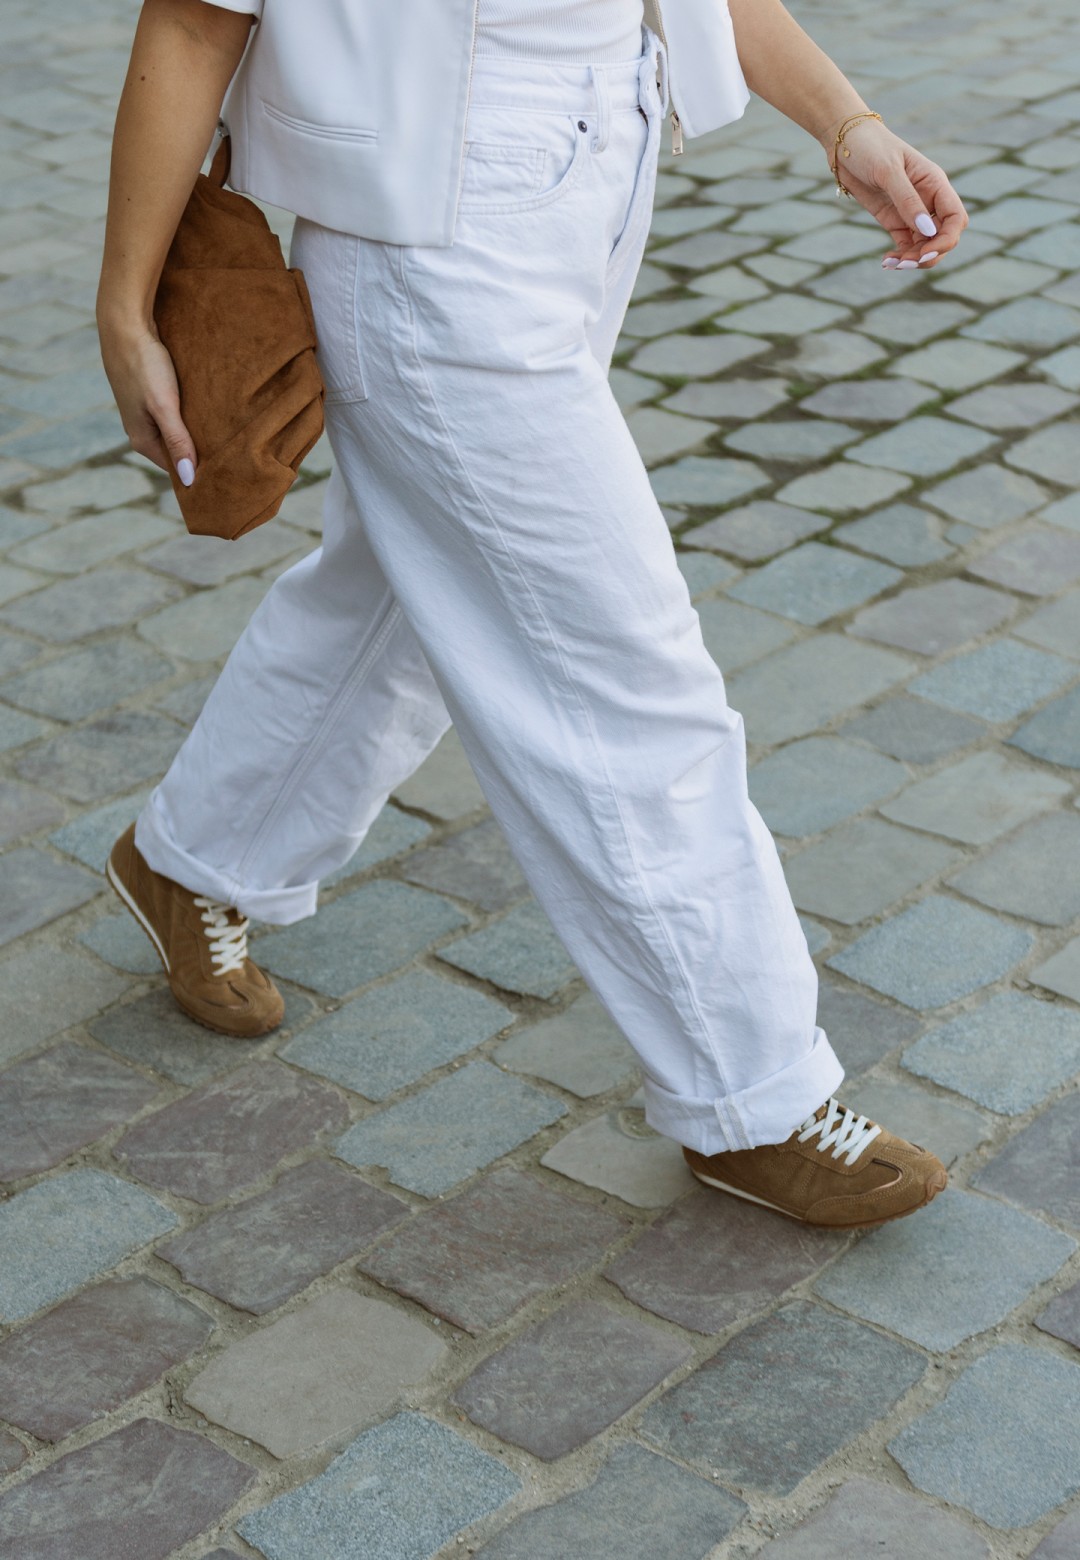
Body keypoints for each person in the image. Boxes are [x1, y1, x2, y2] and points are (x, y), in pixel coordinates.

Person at [97, 0, 967, 1230]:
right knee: (623, 671)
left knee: (407, 585)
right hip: (434, 243)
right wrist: (125, 308)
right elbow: (193, 23)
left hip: (594, 187)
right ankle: (753, 1098)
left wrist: (846, 121)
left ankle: (201, 855)